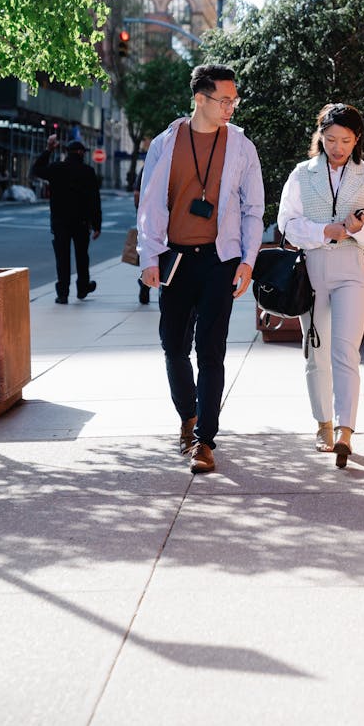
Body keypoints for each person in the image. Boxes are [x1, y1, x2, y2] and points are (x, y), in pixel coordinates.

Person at [137, 64, 264, 474]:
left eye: (234, 99)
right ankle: (187, 418)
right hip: (174, 259)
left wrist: (247, 260)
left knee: (211, 351)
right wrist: (149, 258)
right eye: (223, 100)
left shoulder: (242, 146)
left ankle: (205, 440)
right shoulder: (166, 143)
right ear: (200, 99)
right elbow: (150, 204)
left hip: (219, 260)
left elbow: (252, 208)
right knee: (174, 347)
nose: (230, 107)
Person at [277, 103, 364, 467]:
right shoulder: (301, 174)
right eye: (330, 139)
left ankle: (346, 430)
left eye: (345, 140)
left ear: (357, 139)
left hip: (351, 270)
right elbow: (286, 224)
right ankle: (323, 424)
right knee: (316, 352)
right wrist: (321, 231)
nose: (337, 147)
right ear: (320, 137)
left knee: (346, 351)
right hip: (311, 270)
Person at [31, 137, 102, 305]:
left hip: (60, 221)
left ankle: (62, 293)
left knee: (62, 257)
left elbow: (37, 169)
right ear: (80, 153)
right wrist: (97, 224)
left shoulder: (56, 168)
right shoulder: (88, 171)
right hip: (81, 222)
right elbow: (94, 200)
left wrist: (49, 149)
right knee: (82, 256)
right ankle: (83, 287)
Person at [133, 167, 149, 305]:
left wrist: (139, 212)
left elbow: (137, 194)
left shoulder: (146, 168)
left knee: (149, 251)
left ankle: (145, 283)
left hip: (148, 217)